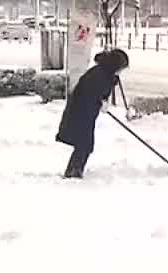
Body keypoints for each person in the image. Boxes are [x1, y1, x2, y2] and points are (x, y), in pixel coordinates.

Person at [55, 48, 129, 179]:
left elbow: (100, 93)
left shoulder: (105, 74)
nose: (121, 71)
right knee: (84, 144)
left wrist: (102, 101)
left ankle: (75, 170)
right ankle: (73, 172)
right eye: (121, 67)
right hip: (80, 112)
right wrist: (100, 102)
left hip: (86, 113)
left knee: (84, 144)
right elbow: (89, 93)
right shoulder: (99, 74)